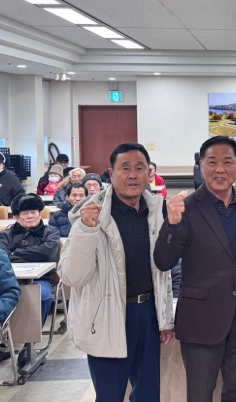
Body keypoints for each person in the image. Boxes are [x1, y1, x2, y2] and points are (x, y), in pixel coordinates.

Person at [154, 136, 236, 402]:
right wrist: (172, 223)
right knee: (200, 394)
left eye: (228, 162)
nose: (220, 169)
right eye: (212, 162)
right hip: (201, 319)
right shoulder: (185, 207)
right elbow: (164, 261)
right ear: (200, 166)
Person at [59, 143, 174, 402]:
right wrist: (86, 230)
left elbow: (163, 272)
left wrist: (165, 318)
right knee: (110, 395)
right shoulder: (91, 214)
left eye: (139, 168)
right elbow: (72, 277)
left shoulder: (158, 210)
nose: (133, 175)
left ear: (149, 173)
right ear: (111, 174)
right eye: (125, 168)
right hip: (106, 314)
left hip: (148, 313)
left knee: (148, 395)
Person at [0, 194, 58, 326]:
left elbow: (46, 254)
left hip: (42, 278)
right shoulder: (5, 235)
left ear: (40, 214)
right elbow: (4, 257)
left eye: (34, 212)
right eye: (25, 213)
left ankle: (34, 334)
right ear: (16, 217)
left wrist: (16, 252)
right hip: (10, 280)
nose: (30, 216)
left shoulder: (51, 232)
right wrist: (35, 255)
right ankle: (8, 333)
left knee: (43, 296)